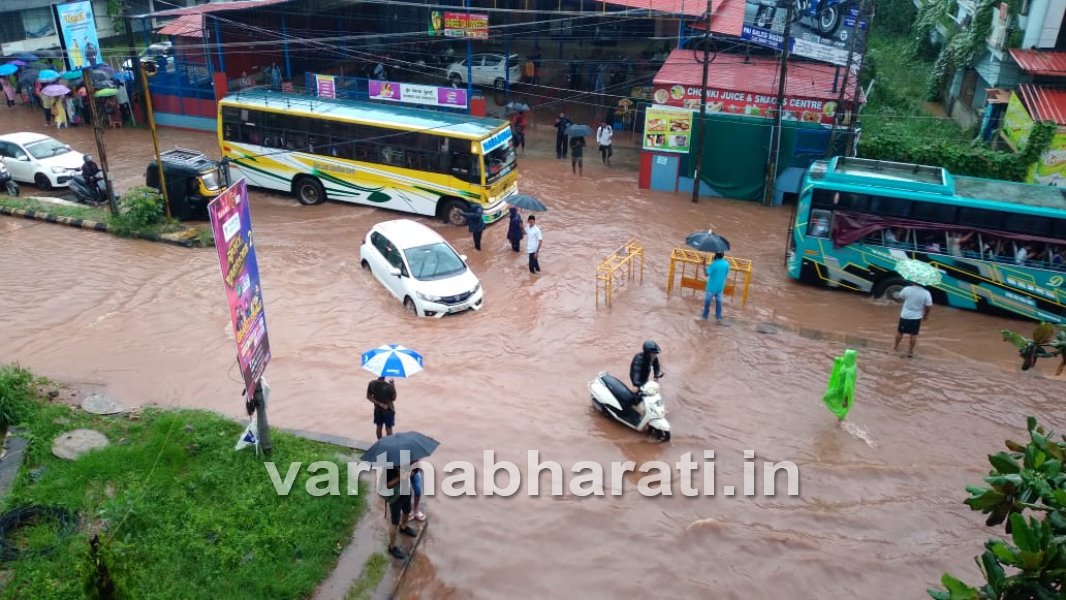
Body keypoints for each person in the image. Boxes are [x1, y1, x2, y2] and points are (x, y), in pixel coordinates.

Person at [380, 467, 418, 560]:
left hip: (406, 490)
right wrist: (399, 478)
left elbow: (415, 470)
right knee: (395, 522)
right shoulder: (388, 467)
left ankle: (404, 527)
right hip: (394, 497)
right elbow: (387, 485)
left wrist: (410, 473)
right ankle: (392, 547)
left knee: (407, 510)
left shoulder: (408, 458)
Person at [893, 283, 933, 358]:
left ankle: (896, 346)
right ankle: (910, 351)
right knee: (914, 334)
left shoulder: (907, 289)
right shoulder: (926, 293)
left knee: (900, 332)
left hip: (905, 315)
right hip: (916, 317)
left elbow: (900, 296)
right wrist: (926, 315)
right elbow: (928, 306)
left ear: (914, 281)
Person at [702, 252, 730, 323]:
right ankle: (718, 317)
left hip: (711, 287)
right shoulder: (726, 264)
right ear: (722, 256)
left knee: (707, 301)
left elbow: (706, 274)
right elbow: (726, 274)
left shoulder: (713, 264)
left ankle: (705, 315)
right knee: (719, 302)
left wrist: (704, 266)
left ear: (715, 256)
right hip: (720, 287)